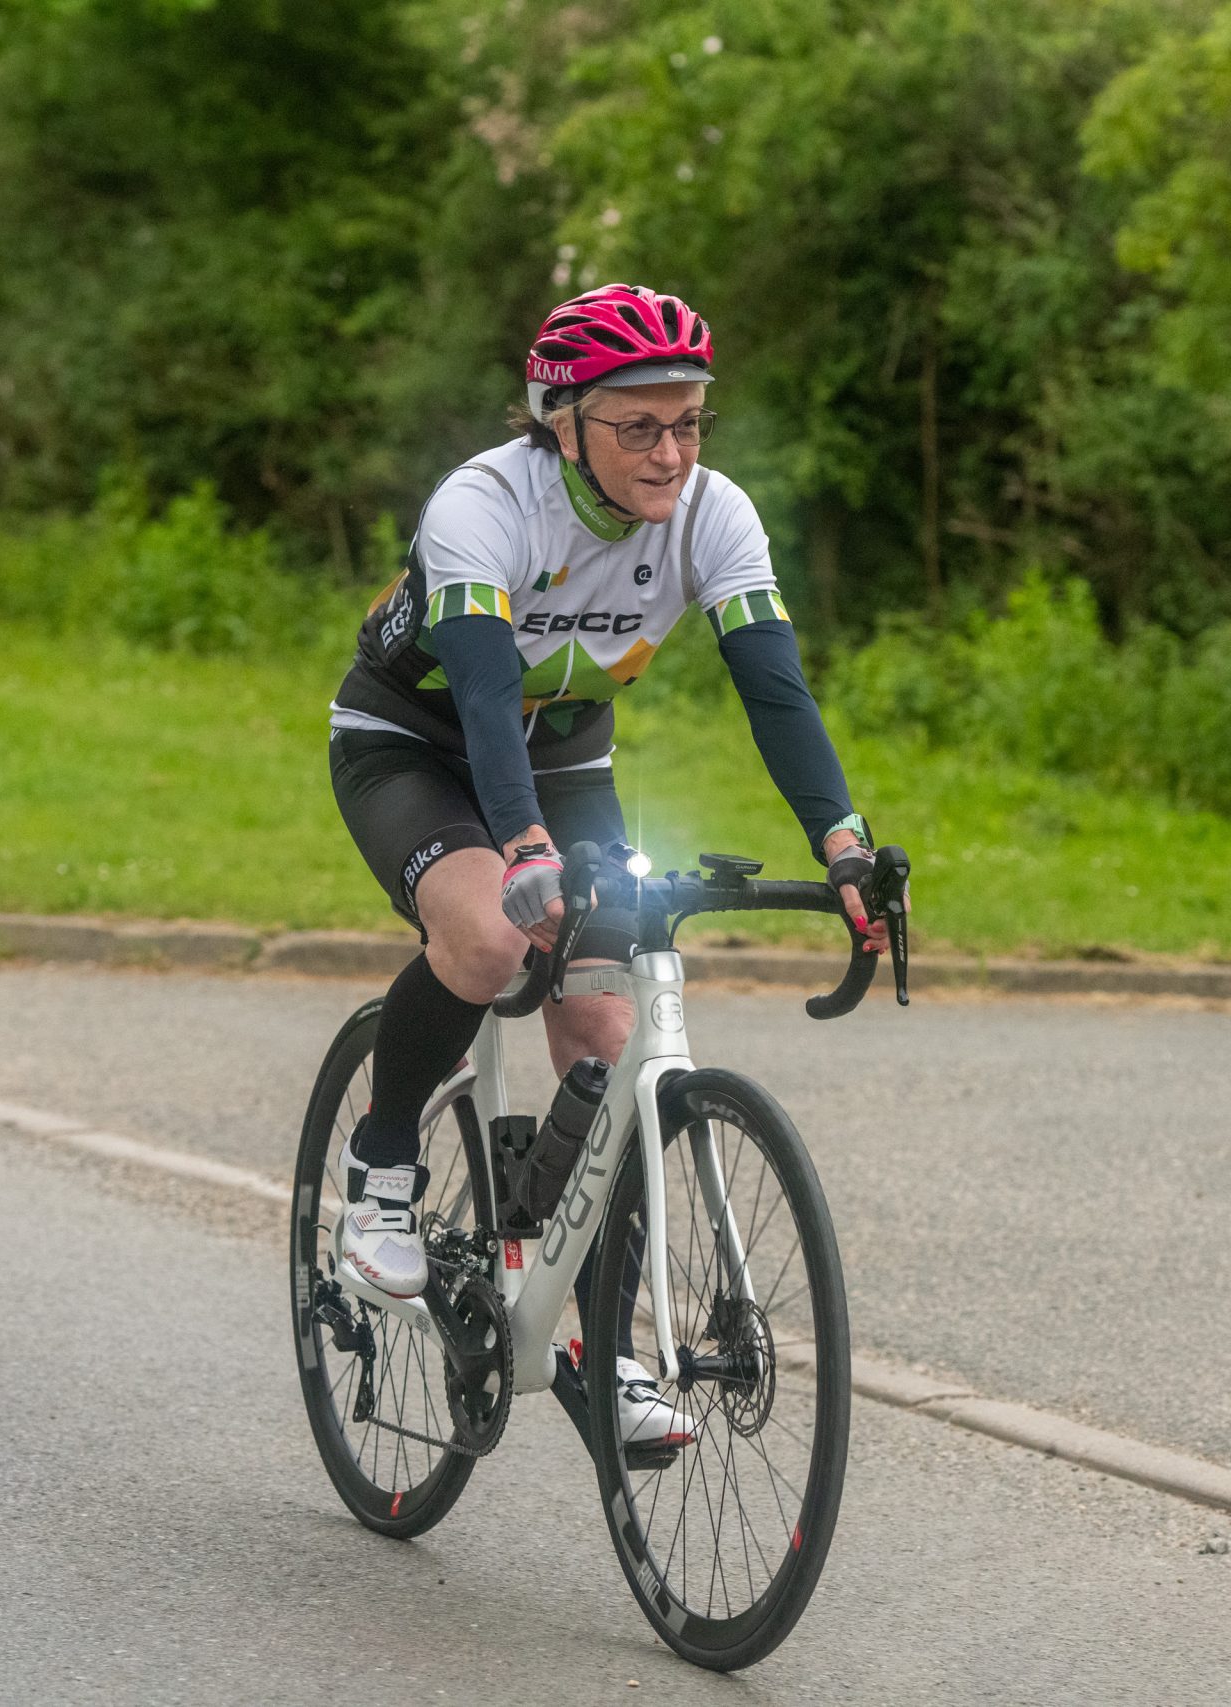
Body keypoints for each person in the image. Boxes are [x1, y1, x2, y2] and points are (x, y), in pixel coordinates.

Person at [326, 283, 886, 1448]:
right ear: (561, 419)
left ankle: (600, 1348)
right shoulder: (485, 504)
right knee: (489, 938)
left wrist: (842, 843)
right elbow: (486, 697)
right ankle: (381, 1164)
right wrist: (522, 848)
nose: (670, 454)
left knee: (606, 1038)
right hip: (414, 748)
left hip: (567, 760)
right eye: (639, 427)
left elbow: (774, 688)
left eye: (688, 423)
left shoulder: (712, 514)